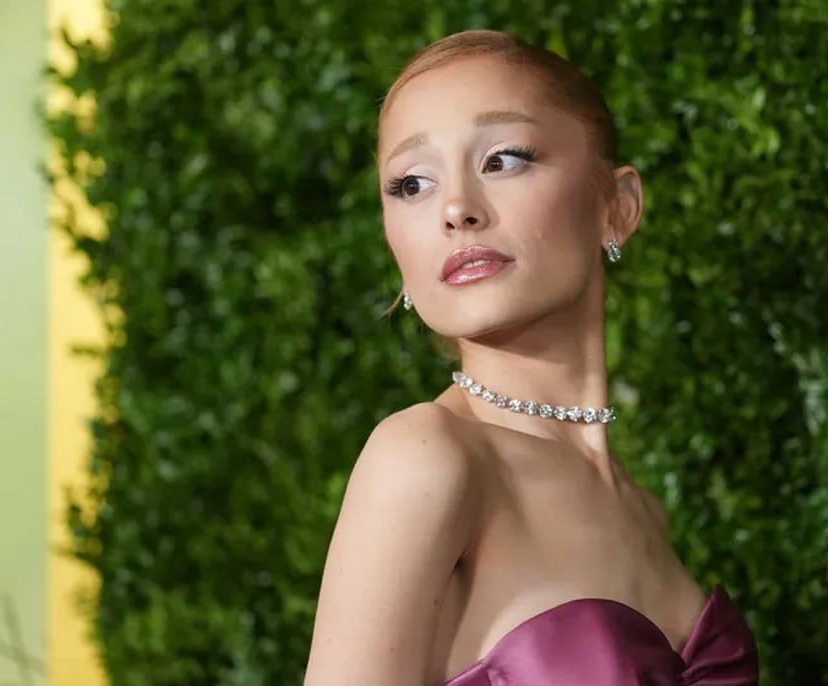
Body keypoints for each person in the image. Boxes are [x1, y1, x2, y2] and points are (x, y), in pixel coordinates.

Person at [303, 29, 758, 686]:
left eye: (504, 159)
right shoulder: (426, 458)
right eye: (411, 183)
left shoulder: (642, 508)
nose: (456, 209)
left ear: (617, 206)